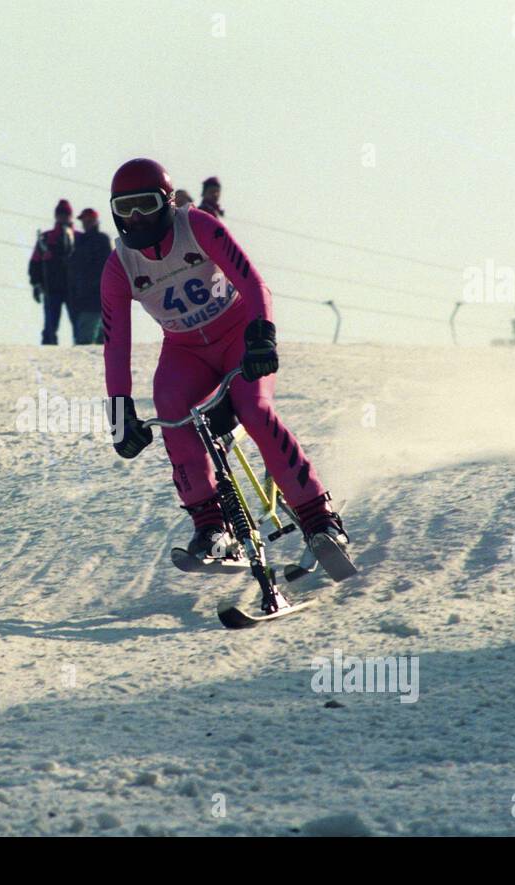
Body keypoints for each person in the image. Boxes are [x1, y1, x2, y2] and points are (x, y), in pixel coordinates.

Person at [100, 158, 350, 576]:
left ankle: (320, 518)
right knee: (173, 410)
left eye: (144, 204)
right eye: (125, 209)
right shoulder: (119, 267)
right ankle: (213, 529)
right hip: (185, 352)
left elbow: (253, 282)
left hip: (236, 335)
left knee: (255, 410)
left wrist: (262, 334)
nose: (137, 217)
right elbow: (115, 345)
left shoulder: (197, 226)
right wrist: (119, 412)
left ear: (166, 201)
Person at [28, 199, 75, 344]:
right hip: (51, 288)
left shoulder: (77, 237)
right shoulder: (46, 238)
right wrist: (36, 284)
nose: (62, 217)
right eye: (60, 214)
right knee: (50, 325)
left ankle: (82, 347)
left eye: (65, 214)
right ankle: (49, 346)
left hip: (73, 288)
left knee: (78, 323)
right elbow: (35, 263)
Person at [68, 208, 111, 345]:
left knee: (90, 338)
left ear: (94, 221)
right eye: (84, 220)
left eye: (88, 220)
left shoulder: (101, 240)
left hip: (97, 293)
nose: (85, 223)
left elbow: (106, 265)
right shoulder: (80, 241)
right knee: (93, 335)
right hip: (85, 294)